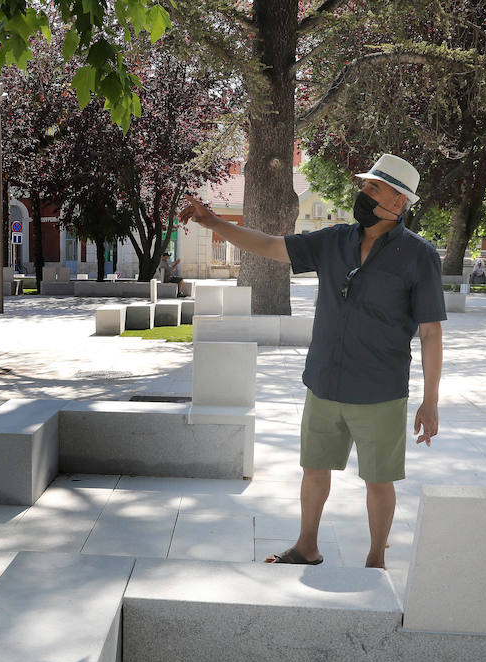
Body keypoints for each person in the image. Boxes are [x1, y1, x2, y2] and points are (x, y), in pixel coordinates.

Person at [180, 154, 444, 569]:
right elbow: (268, 245)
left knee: (378, 479)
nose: (363, 192)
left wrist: (431, 401)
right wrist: (214, 223)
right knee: (314, 470)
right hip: (324, 382)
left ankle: (376, 558)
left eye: (373, 187)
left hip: (380, 390)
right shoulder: (333, 240)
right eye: (366, 186)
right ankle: (307, 546)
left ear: (399, 200)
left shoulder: (419, 256)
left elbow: (430, 333)